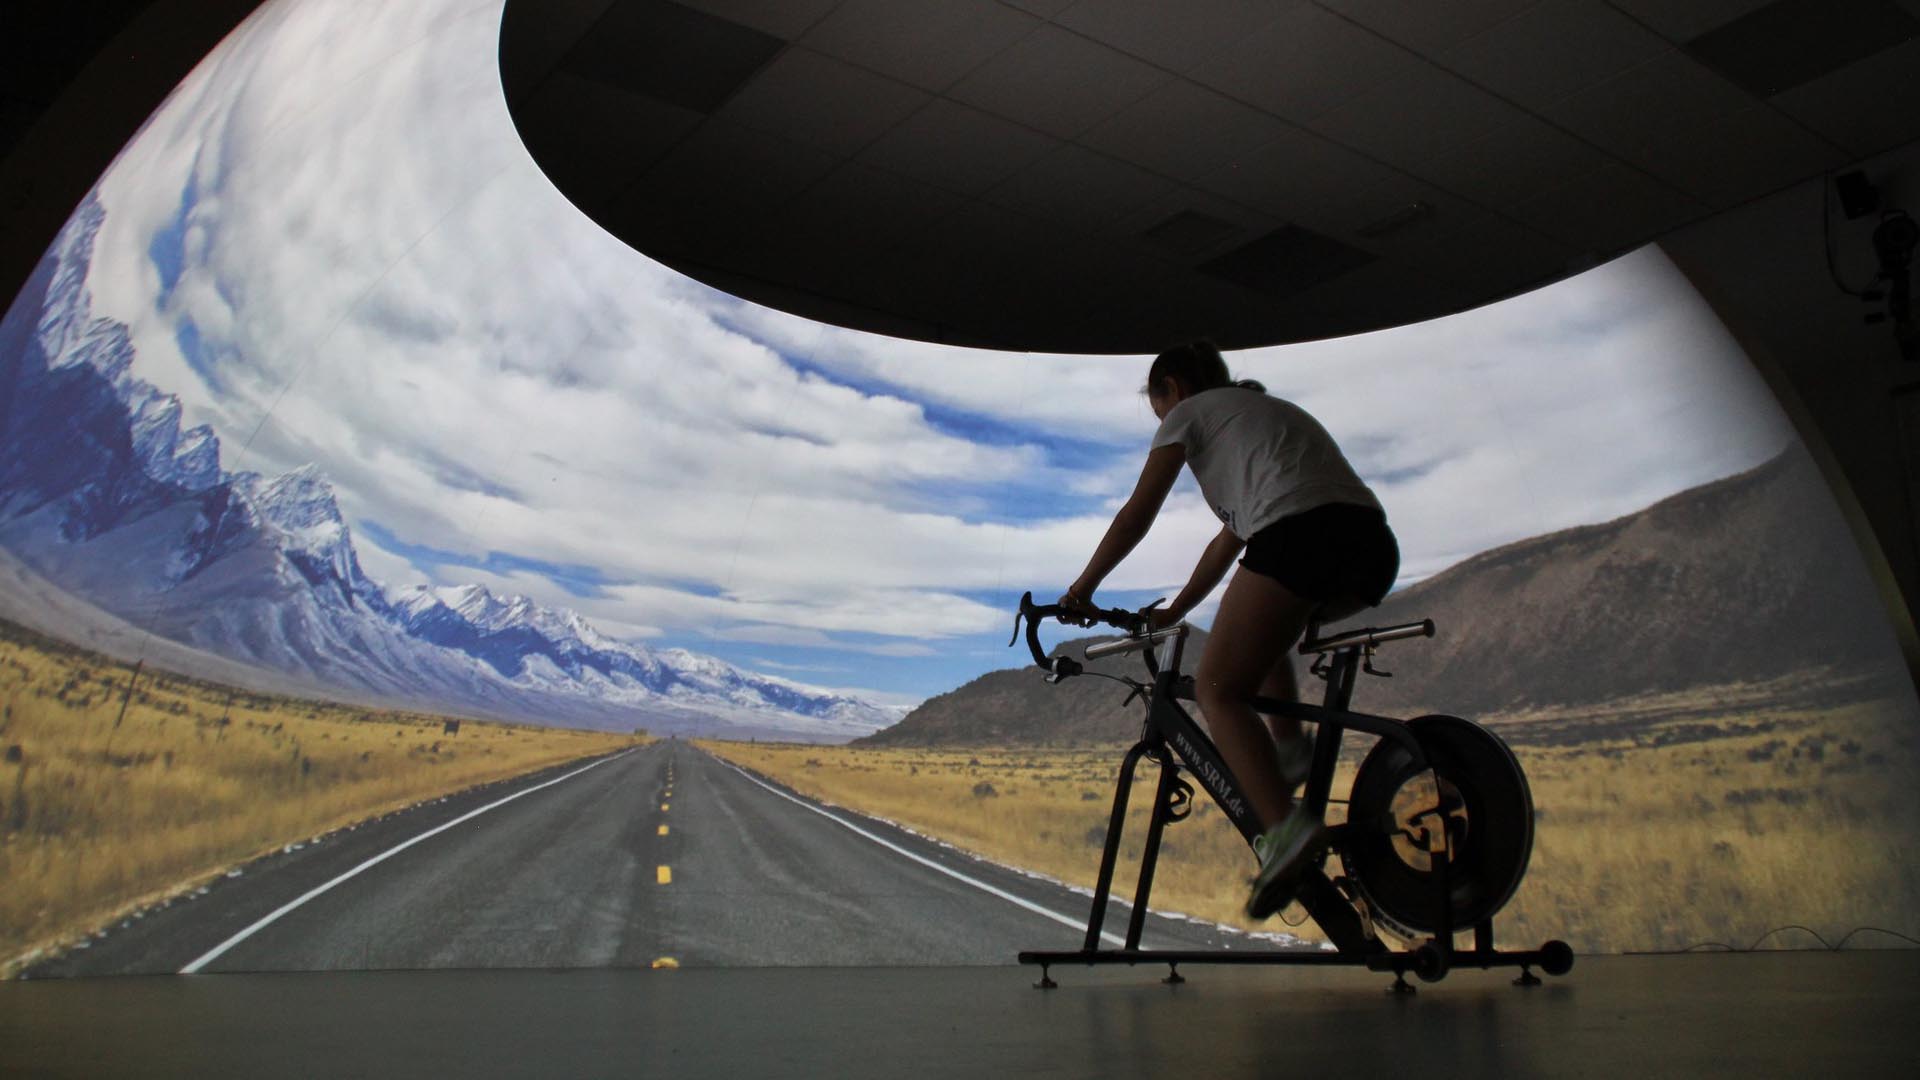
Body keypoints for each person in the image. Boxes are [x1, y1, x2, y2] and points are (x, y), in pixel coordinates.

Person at [1059, 340, 1398, 919]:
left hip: (1302, 534)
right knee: (1258, 634)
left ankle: (1287, 834)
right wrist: (1176, 610)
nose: (1163, 421)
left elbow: (1138, 513)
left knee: (1217, 686)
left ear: (1174, 389)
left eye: (1159, 406)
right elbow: (1230, 541)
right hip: (1369, 547)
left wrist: (1082, 587)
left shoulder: (1192, 413)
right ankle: (1289, 753)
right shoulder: (1255, 423)